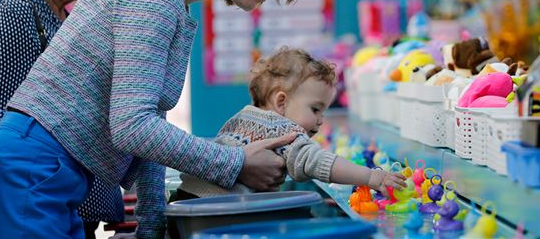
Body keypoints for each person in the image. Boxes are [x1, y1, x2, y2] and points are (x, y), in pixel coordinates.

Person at [0, 0, 313, 239]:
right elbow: (132, 126)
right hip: (34, 171)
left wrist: (151, 227)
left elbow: (148, 121)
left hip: (54, 175)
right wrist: (235, 162)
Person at [0, 0, 125, 239]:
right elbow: (5, 144)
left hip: (56, 211)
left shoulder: (58, 17)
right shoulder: (13, 15)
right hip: (34, 214)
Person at [173, 47, 407, 199]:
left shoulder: (240, 117)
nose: (320, 119)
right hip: (217, 213)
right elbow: (318, 162)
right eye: (315, 109)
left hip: (182, 201)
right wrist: (370, 177)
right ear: (281, 102)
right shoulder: (283, 130)